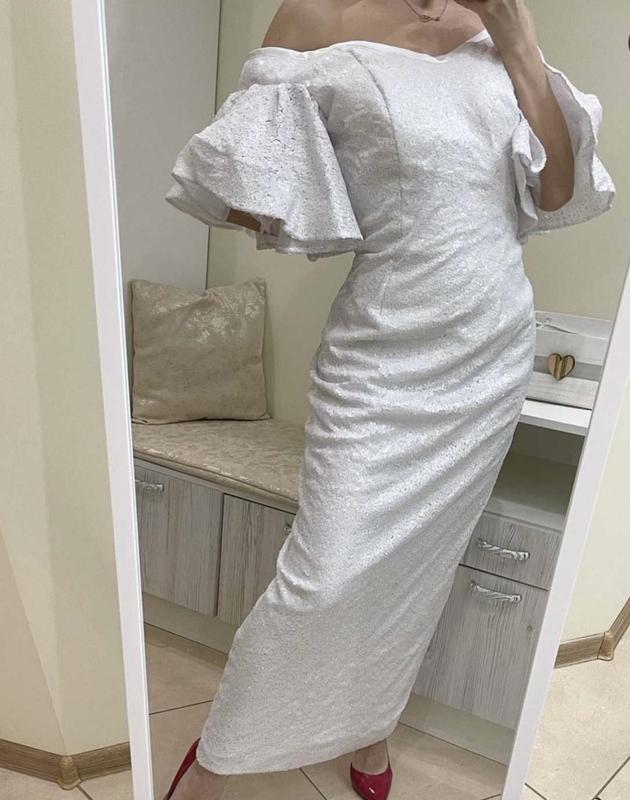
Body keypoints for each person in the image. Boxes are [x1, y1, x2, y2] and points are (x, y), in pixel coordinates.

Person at [162, 1, 615, 798]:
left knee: (417, 575)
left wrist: (521, 44)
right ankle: (220, 759)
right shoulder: (315, 17)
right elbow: (237, 188)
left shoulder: (500, 27)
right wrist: (318, 191)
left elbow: (555, 193)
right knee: (325, 574)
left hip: (489, 353)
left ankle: (372, 733)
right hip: (382, 349)